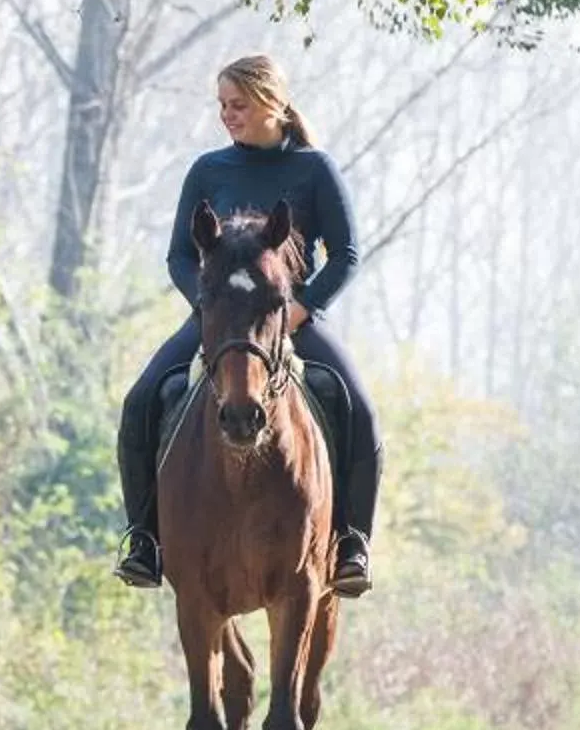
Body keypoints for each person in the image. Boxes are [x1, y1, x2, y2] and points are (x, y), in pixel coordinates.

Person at [115, 54, 381, 596]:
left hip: (291, 323)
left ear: (271, 103)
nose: (227, 116)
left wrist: (302, 310)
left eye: (237, 105)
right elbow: (178, 259)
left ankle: (351, 541)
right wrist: (211, 309)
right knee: (141, 401)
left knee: (361, 410)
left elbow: (346, 254)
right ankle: (144, 538)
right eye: (222, 106)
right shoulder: (208, 171)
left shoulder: (315, 169)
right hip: (221, 327)